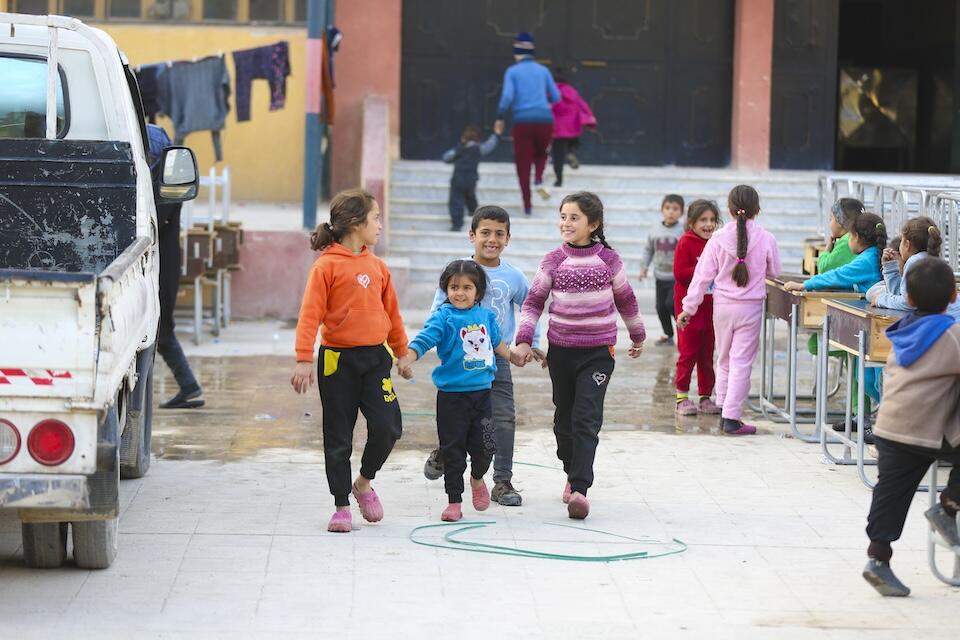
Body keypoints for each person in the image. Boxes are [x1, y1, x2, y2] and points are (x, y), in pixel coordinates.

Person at [513, 191, 646, 520]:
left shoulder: (609, 260)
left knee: (586, 418)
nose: (566, 223)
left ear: (593, 224)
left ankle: (580, 488)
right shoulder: (553, 260)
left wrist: (638, 333)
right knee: (564, 421)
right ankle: (571, 470)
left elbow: (626, 300)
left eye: (574, 217)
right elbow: (533, 302)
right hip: (561, 352)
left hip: (599, 353)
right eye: (563, 216)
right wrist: (524, 339)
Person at [290, 189, 410, 534]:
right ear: (356, 224)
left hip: (375, 360)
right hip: (336, 362)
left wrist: (401, 353)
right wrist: (303, 360)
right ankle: (342, 504)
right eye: (376, 218)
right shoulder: (325, 266)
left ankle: (364, 482)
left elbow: (392, 314)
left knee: (388, 426)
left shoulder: (378, 266)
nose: (380, 225)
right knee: (339, 435)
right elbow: (309, 315)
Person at [421, 206, 544, 506]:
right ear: (471, 235)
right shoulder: (458, 272)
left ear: (508, 238)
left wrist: (530, 341)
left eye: (499, 234)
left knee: (502, 419)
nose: (492, 239)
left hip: (497, 359)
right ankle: (446, 449)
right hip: (459, 363)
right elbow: (437, 313)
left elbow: (530, 308)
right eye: (485, 233)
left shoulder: (513, 276)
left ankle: (501, 481)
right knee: (459, 420)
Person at [861, 258, 960, 597]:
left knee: (890, 494)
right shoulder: (952, 335)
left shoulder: (903, 329)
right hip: (928, 430)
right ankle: (948, 506)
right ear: (953, 295)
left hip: (890, 428)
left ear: (911, 300)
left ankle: (878, 560)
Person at [398, 261, 521, 522]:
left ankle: (477, 479)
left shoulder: (486, 317)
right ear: (446, 289)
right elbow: (424, 339)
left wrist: (513, 357)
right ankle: (454, 501)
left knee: (487, 446)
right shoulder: (444, 317)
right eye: (454, 287)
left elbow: (497, 342)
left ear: (479, 291)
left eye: (467, 287)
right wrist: (408, 357)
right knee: (453, 451)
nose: (460, 293)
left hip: (482, 395)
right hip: (451, 398)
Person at [678, 185, 781, 436]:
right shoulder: (767, 238)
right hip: (750, 308)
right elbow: (774, 273)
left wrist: (688, 308)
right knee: (741, 362)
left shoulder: (717, 239)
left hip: (722, 308)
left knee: (723, 359)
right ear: (758, 209)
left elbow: (702, 278)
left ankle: (724, 404)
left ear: (729, 209)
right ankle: (732, 418)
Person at [785, 213, 887, 442]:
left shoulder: (867, 259)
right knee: (867, 377)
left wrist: (805, 284)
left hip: (874, 328)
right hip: (871, 325)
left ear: (857, 236)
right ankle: (870, 419)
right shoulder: (872, 255)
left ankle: (885, 426)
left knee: (874, 382)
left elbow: (837, 274)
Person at [147, 123, 204, 409]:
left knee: (161, 330)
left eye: (151, 157)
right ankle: (189, 386)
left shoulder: (162, 187)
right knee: (162, 331)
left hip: (160, 266)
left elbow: (151, 217)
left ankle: (189, 386)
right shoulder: (169, 179)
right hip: (164, 264)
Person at [493, 31, 561, 216]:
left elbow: (507, 96)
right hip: (545, 119)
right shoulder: (543, 71)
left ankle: (528, 206)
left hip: (522, 121)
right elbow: (556, 96)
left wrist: (499, 116)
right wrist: (540, 100)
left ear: (517, 51)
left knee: (523, 164)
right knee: (541, 154)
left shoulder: (512, 71)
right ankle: (539, 178)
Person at [673, 200, 721, 416]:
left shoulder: (718, 243)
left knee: (707, 353)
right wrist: (705, 270)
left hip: (712, 309)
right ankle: (681, 396)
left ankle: (705, 396)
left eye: (712, 220)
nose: (708, 224)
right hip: (689, 310)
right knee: (688, 352)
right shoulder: (685, 243)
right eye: (703, 220)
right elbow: (680, 273)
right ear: (691, 222)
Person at [867, 216, 960, 318]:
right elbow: (901, 295)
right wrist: (890, 268)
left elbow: (908, 303)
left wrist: (881, 299)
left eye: (901, 240)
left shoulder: (915, 263)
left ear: (907, 244)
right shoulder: (930, 260)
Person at [639, 194, 685, 346]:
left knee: (671, 304)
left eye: (675, 209)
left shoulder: (683, 231)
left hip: (676, 277)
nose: (671, 212)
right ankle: (668, 334)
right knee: (660, 307)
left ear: (681, 213)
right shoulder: (655, 230)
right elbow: (648, 250)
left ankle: (683, 328)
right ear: (662, 210)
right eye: (667, 208)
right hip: (660, 276)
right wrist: (644, 268)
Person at [442, 125, 498, 232]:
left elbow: (446, 158)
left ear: (464, 138)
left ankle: (457, 224)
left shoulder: (458, 149)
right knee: (470, 195)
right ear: (478, 139)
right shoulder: (478, 149)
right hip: (471, 179)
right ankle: (473, 210)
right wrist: (495, 135)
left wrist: (457, 150)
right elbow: (489, 146)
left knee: (456, 201)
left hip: (458, 179)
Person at [550, 67, 596, 187]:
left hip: (557, 129)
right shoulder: (573, 92)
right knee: (574, 143)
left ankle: (559, 180)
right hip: (572, 127)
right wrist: (589, 119)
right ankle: (571, 152)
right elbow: (583, 105)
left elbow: (548, 107)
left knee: (557, 155)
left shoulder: (552, 91)